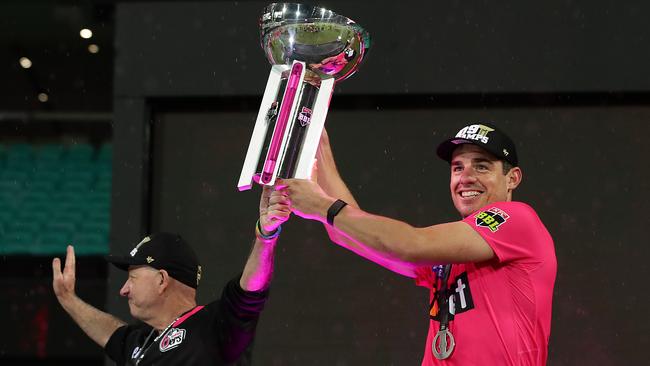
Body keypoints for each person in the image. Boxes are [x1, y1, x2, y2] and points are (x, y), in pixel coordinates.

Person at [279, 124, 557, 365]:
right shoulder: (451, 256)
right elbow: (348, 234)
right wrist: (320, 147)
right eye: (457, 167)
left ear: (512, 179)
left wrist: (322, 206)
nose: (466, 177)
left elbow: (409, 244)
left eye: (481, 166)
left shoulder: (518, 220)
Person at [52, 186, 290, 365]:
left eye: (132, 278)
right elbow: (110, 333)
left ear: (162, 280)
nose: (123, 289)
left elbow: (250, 291)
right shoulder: (142, 343)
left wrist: (266, 236)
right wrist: (68, 299)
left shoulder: (214, 327)